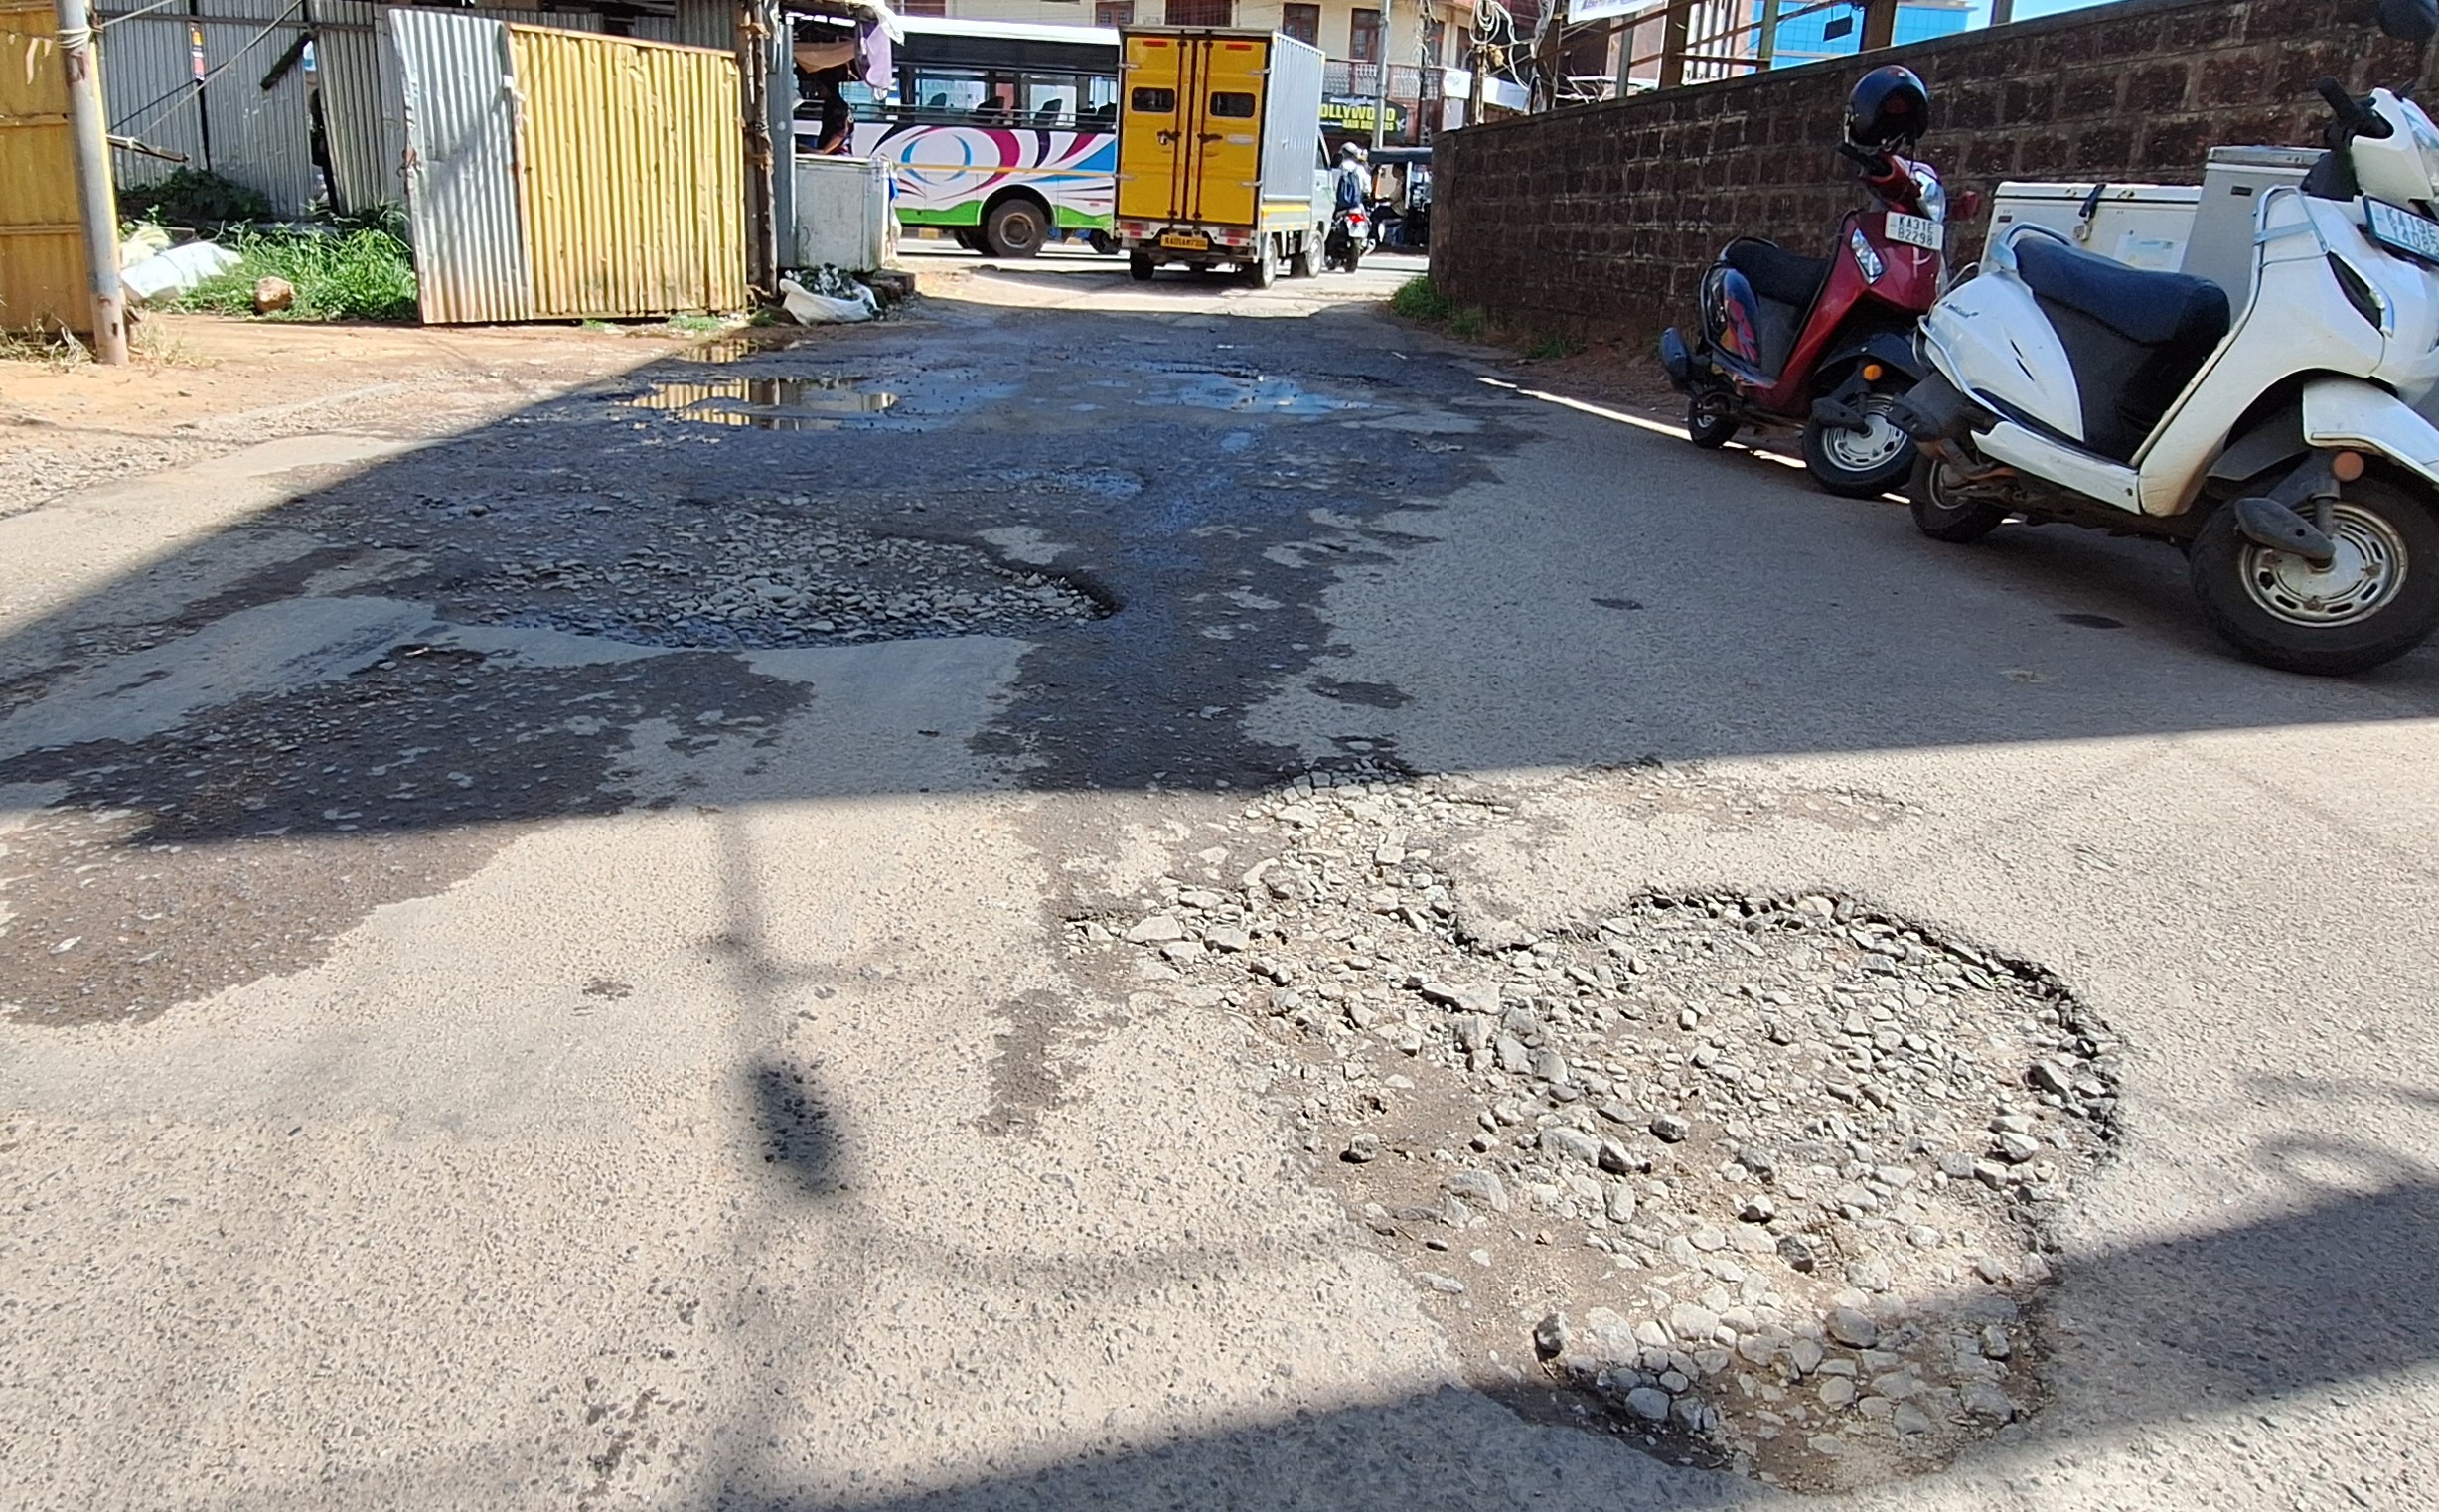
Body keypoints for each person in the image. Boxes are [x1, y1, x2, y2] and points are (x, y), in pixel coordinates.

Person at [1333, 142, 1369, 213]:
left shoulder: (1339, 168)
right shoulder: (1360, 169)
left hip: (1339, 206)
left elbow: (1333, 186)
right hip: (1356, 205)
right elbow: (1367, 188)